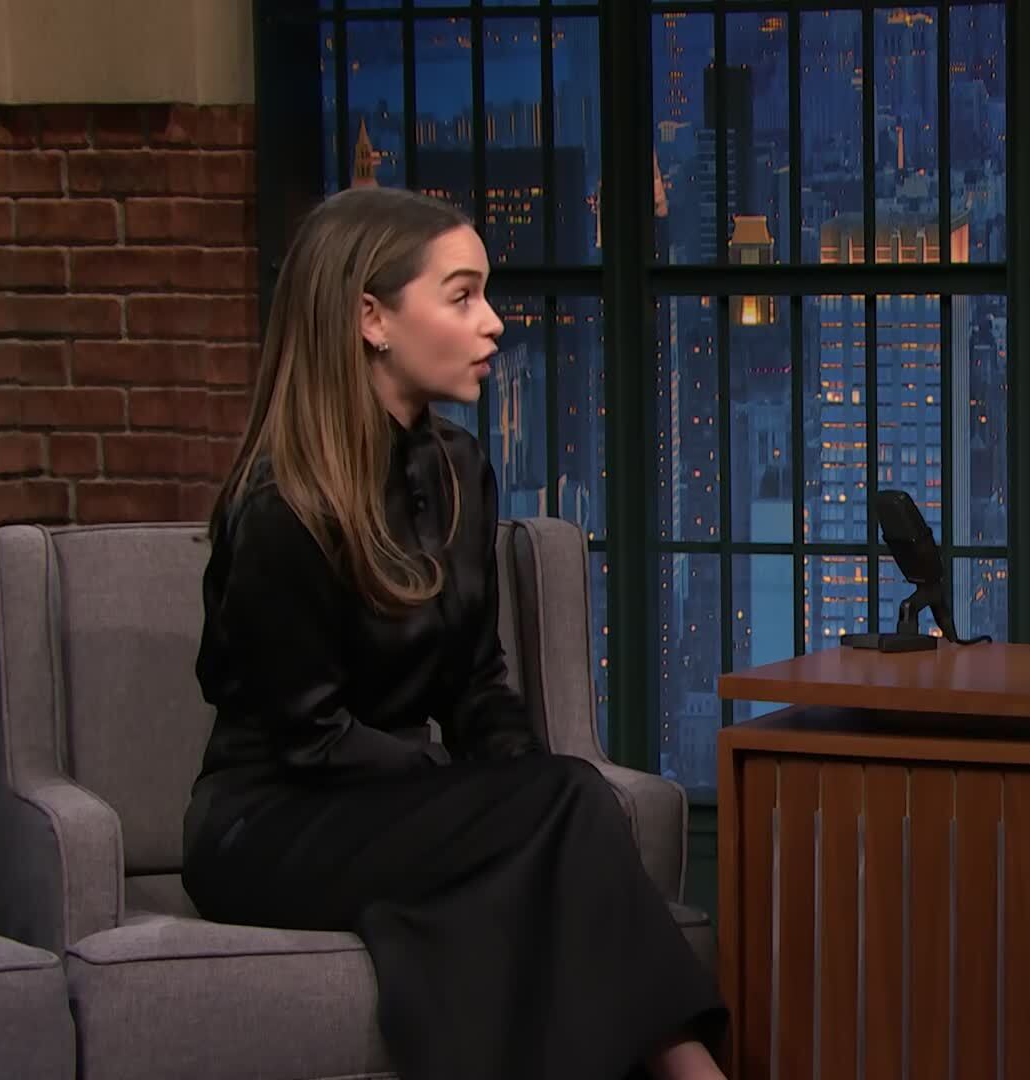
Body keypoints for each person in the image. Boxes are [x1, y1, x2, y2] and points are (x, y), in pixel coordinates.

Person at [180, 186, 726, 1080]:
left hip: (397, 804)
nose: (494, 323)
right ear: (372, 319)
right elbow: (309, 739)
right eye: (462, 295)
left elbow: (477, 683)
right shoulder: (285, 505)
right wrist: (478, 793)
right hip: (271, 825)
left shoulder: (459, 468)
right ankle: (688, 1068)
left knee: (562, 802)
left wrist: (517, 783)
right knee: (555, 810)